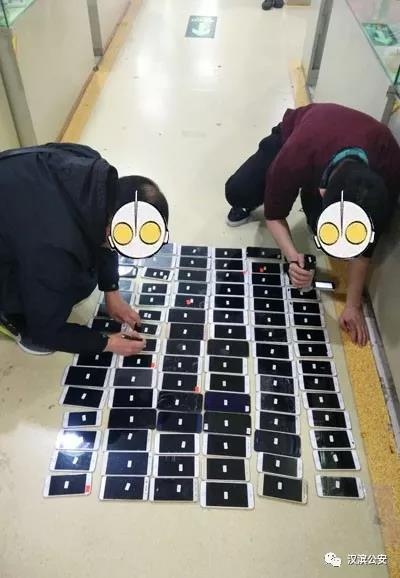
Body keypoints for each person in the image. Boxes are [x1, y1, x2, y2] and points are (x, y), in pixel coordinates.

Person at [225, 103, 400, 346]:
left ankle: (315, 212)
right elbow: (274, 216)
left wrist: (353, 305)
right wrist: (293, 258)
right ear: (322, 191)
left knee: (324, 234)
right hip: (299, 131)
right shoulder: (294, 155)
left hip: (334, 152)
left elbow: (366, 245)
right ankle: (256, 195)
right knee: (238, 191)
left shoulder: (390, 164)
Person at [0, 143, 168, 356]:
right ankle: (11, 317)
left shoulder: (95, 174)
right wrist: (106, 343)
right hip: (24, 234)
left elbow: (104, 234)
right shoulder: (54, 249)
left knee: (80, 276)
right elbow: (46, 332)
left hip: (15, 193)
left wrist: (111, 291)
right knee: (46, 314)